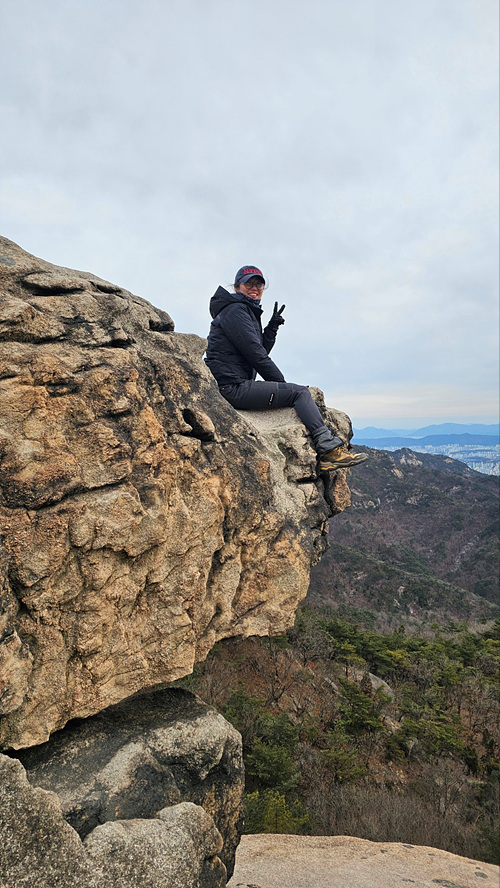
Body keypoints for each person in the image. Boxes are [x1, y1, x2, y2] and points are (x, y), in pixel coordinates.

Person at [205, 265, 368, 471]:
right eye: (249, 284)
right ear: (237, 287)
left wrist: (271, 328)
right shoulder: (235, 310)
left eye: (259, 284)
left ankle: (327, 449)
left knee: (296, 392)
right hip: (231, 387)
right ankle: (328, 451)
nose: (255, 288)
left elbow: (258, 349)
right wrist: (283, 386)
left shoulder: (243, 310)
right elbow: (256, 354)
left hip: (234, 383)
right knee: (299, 393)